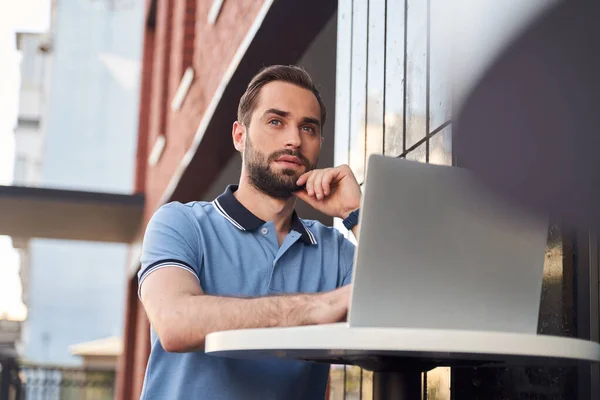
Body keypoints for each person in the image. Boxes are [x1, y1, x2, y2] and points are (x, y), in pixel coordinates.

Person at [137, 65, 362, 399]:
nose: (294, 140)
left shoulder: (334, 251)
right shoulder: (181, 223)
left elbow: (409, 307)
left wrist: (355, 213)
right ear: (239, 136)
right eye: (276, 121)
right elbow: (175, 321)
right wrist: (317, 308)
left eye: (308, 128)